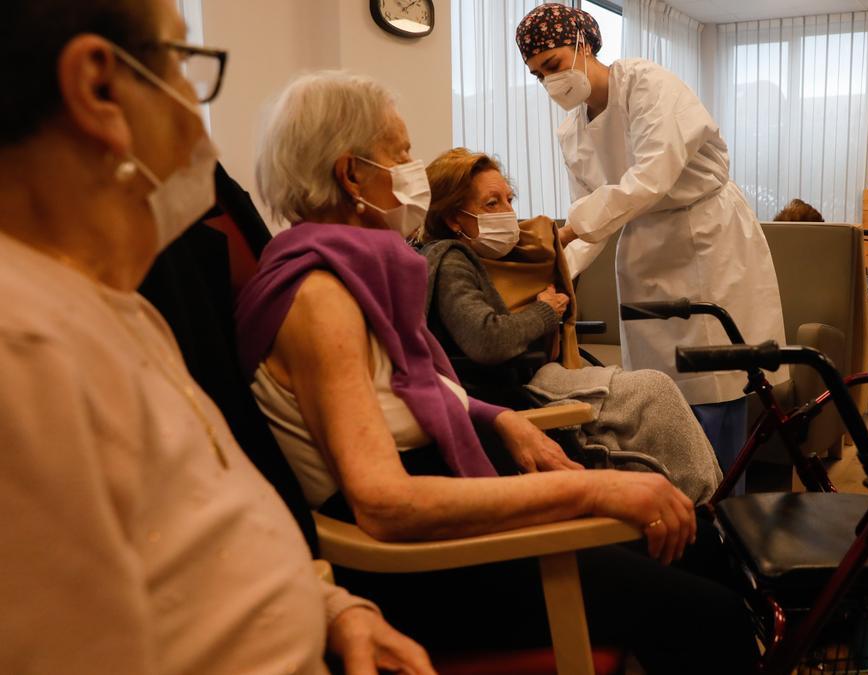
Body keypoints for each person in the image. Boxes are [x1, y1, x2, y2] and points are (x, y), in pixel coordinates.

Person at [240, 70, 757, 672]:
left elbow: (414, 387)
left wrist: (500, 421)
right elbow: (384, 503)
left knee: (689, 531)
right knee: (706, 610)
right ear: (351, 174)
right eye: (401, 153)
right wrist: (591, 486)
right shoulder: (320, 297)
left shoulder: (358, 274)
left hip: (449, 512)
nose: (415, 169)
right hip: (427, 569)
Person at [0, 1, 433, 673]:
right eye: (182, 60)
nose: (209, 141)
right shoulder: (21, 352)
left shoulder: (119, 307)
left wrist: (330, 606)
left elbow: (192, 525)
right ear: (99, 88)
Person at [516, 4, 789, 482]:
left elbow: (650, 178)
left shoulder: (647, 83)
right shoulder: (572, 130)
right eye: (538, 75)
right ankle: (683, 506)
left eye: (554, 65)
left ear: (585, 44)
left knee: (716, 382)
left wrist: (569, 230)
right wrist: (553, 269)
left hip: (707, 237)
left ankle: (725, 520)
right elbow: (593, 212)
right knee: (661, 394)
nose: (550, 82)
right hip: (644, 245)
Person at [419, 147, 723, 503]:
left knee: (653, 397)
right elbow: (488, 340)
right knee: (653, 393)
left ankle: (697, 508)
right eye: (492, 204)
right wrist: (545, 311)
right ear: (455, 218)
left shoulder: (478, 259)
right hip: (515, 388)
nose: (508, 213)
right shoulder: (451, 261)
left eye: (509, 200)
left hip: (532, 378)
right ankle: (705, 512)